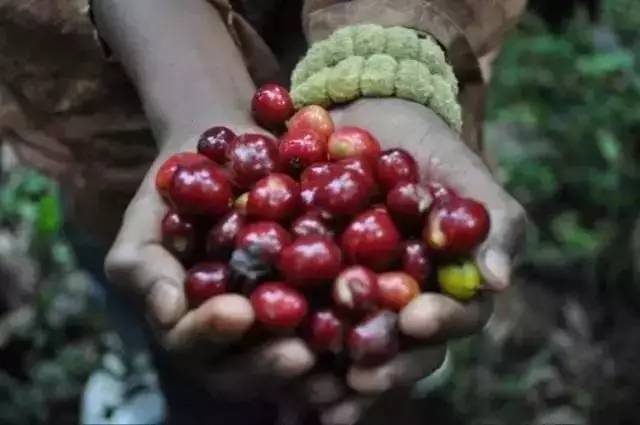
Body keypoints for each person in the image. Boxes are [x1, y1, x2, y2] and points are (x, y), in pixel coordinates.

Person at [0, 0, 527, 424]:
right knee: (129, 249)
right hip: (115, 93)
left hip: (335, 42)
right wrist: (192, 92)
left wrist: (390, 51)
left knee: (371, 374)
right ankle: (152, 362)